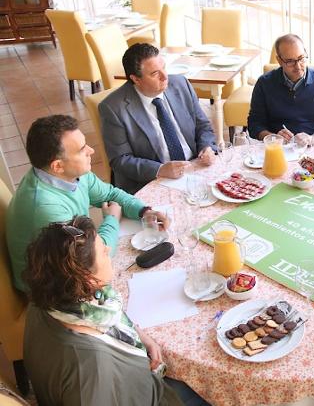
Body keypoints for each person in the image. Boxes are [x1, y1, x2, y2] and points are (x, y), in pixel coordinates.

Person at [23, 216, 209, 405]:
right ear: (88, 279)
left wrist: (139, 335)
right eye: (103, 252)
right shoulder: (89, 369)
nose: (109, 249)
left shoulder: (49, 298)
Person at [6, 115, 166, 293]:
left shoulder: (71, 172)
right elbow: (93, 259)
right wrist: (112, 218)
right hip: (51, 293)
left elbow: (110, 194)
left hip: (76, 261)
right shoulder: (45, 208)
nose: (91, 151)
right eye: (82, 150)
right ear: (57, 166)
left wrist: (143, 211)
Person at [99, 43, 218, 194]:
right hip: (151, 180)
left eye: (164, 67)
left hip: (195, 168)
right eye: (155, 73)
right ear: (136, 79)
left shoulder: (181, 84)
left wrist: (206, 147)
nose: (165, 76)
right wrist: (160, 169)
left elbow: (203, 126)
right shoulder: (113, 107)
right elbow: (120, 160)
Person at [247, 34, 314, 145]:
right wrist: (271, 137)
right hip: (276, 147)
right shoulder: (264, 83)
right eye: (290, 61)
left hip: (312, 145)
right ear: (279, 61)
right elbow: (254, 124)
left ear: (305, 53)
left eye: (301, 58)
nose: (298, 66)